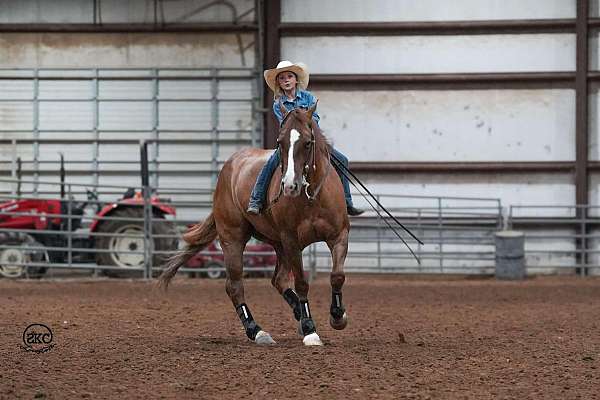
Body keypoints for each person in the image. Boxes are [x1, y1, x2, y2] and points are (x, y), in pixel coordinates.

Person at [247, 60, 364, 216]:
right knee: (270, 163)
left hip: (309, 140)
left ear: (296, 80)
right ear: (279, 83)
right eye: (282, 78)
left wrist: (303, 121)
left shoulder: (308, 97)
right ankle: (256, 199)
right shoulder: (278, 104)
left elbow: (315, 118)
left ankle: (347, 202)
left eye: (289, 76)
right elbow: (285, 124)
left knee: (342, 160)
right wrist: (304, 118)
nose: (286, 80)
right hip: (290, 143)